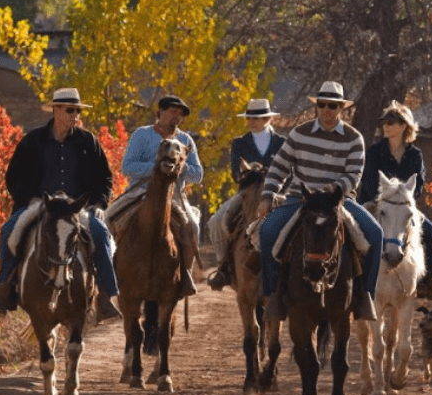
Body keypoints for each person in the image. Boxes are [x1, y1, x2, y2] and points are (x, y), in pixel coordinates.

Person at [0, 87, 121, 320]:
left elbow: (105, 178)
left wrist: (98, 204)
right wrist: (29, 199)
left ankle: (106, 296)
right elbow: (14, 177)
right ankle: (5, 289)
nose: (75, 115)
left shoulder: (89, 142)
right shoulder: (33, 141)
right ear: (55, 110)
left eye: (77, 110)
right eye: (70, 110)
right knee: (8, 232)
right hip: (40, 204)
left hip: (78, 208)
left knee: (100, 233)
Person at [256, 81, 383, 321]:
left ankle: (365, 296)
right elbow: (279, 168)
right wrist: (267, 196)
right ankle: (274, 294)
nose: (327, 110)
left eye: (333, 106)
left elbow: (354, 175)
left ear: (341, 109)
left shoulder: (354, 138)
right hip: (300, 198)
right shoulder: (299, 133)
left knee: (375, 235)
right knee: (267, 231)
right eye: (322, 105)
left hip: (338, 201)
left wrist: (333, 189)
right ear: (316, 107)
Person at [111, 95, 203, 298]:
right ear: (159, 112)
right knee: (108, 217)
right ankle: (108, 275)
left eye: (180, 114)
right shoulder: (141, 135)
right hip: (140, 192)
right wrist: (156, 167)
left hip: (174, 195)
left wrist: (177, 166)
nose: (176, 116)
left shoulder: (186, 140)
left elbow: (198, 174)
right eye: (172, 111)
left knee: (193, 226)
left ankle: (186, 274)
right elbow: (127, 167)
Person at [357, 101, 432, 300]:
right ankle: (353, 280)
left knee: (430, 232)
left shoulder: (415, 155)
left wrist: (404, 201)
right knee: (355, 230)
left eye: (391, 122)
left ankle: (429, 280)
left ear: (404, 126)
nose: (386, 126)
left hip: (403, 206)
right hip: (374, 203)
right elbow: (369, 182)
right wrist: (385, 200)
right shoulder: (373, 151)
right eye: (384, 122)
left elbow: (419, 184)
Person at [206, 98, 286, 291]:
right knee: (215, 221)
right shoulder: (239, 143)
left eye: (256, 118)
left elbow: (289, 171)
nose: (251, 122)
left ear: (267, 119)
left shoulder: (282, 142)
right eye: (249, 118)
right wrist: (251, 172)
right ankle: (223, 266)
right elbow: (235, 174)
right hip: (247, 194)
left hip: (277, 194)